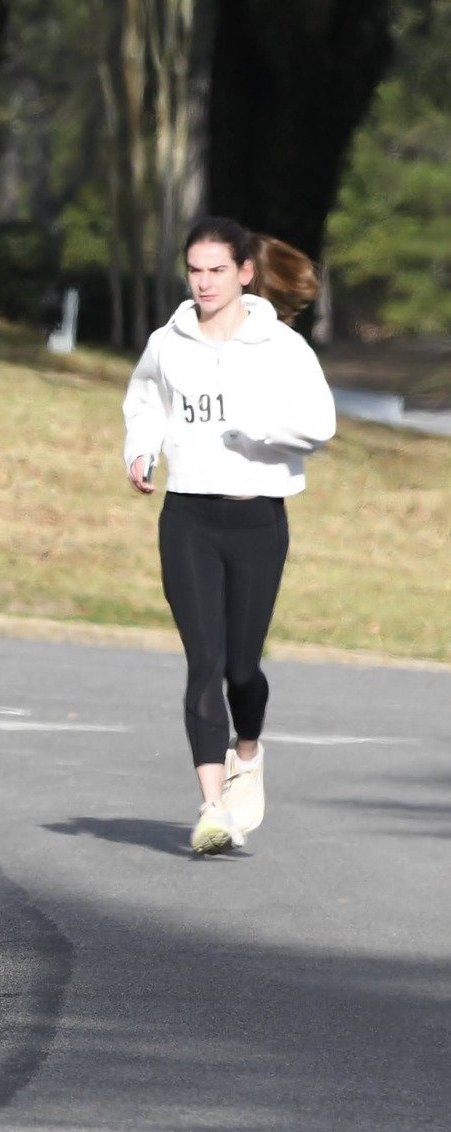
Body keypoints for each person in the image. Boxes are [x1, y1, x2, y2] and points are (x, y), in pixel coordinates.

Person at [121, 217, 334, 855]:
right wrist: (141, 450)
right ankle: (212, 806)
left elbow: (319, 424)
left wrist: (257, 430)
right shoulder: (168, 342)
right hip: (188, 518)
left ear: (245, 272)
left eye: (218, 270)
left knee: (243, 669)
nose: (205, 282)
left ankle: (248, 751)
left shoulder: (283, 347)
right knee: (204, 663)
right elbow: (145, 402)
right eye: (196, 270)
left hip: (257, 519)